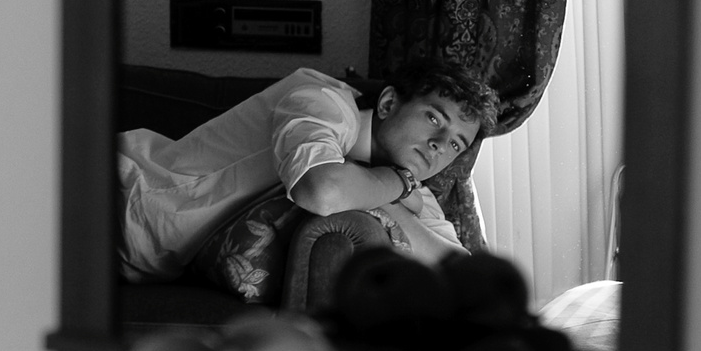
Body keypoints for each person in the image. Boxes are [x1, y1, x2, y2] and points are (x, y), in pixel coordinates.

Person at [118, 58, 498, 283]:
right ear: (387, 104)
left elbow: (462, 273)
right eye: (434, 118)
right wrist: (397, 185)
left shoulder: (410, 187)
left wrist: (390, 196)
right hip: (116, 200)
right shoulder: (323, 102)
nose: (439, 145)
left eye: (456, 144)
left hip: (138, 252)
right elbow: (321, 191)